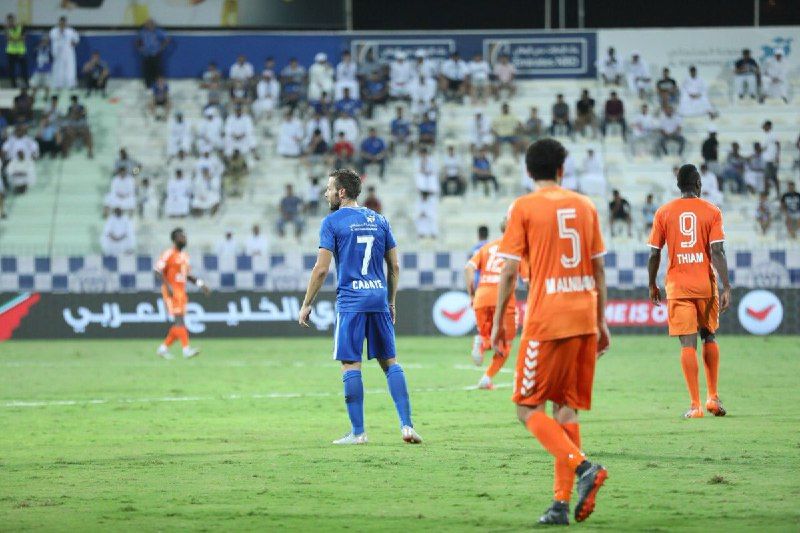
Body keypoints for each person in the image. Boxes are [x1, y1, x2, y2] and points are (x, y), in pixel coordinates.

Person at [491, 138, 609, 525]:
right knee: (565, 407)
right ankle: (560, 504)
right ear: (562, 169)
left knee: (527, 409)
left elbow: (508, 269)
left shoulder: (523, 207)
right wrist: (602, 320)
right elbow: (598, 269)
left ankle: (583, 467)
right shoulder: (586, 205)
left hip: (547, 319)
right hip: (584, 315)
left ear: (528, 171)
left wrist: (498, 323)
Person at [299, 168, 422, 445]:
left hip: (351, 302)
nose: (326, 193)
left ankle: (358, 433)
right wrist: (391, 301)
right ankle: (407, 426)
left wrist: (307, 303)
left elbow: (321, 269)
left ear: (341, 193)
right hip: (378, 299)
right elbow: (395, 266)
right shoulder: (379, 220)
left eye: (329, 188)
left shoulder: (332, 222)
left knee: (350, 364)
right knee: (390, 362)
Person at [647, 163, 731, 419]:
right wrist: (726, 285)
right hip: (705, 285)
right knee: (710, 336)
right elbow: (717, 251)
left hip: (678, 286)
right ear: (698, 185)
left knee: (687, 343)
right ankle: (713, 398)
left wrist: (652, 283)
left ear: (678, 186)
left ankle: (694, 406)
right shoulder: (712, 211)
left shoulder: (664, 212)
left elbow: (654, 253)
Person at [465, 218, 527, 390]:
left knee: (492, 338)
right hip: (504, 298)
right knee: (505, 343)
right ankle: (487, 376)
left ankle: (482, 344)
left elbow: (468, 268)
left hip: (481, 297)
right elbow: (528, 279)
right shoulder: (518, 250)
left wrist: (472, 294)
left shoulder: (486, 247)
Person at [155, 228, 210, 359]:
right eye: (181, 237)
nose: (184, 239)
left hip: (181, 291)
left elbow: (187, 275)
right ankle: (186, 350)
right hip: (172, 291)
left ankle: (163, 349)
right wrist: (167, 286)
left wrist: (201, 284)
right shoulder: (168, 253)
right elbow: (157, 270)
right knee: (180, 321)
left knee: (179, 324)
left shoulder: (185, 256)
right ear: (175, 239)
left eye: (185, 236)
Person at [137, 19, 170, 89]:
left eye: (149, 24)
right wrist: (140, 48)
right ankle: (148, 85)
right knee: (147, 70)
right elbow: (138, 40)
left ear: (153, 24)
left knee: (157, 71)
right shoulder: (142, 32)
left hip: (155, 54)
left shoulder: (158, 32)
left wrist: (161, 48)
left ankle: (158, 86)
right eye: (146, 24)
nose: (148, 25)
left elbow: (167, 39)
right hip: (146, 55)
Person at [49, 17, 79, 90]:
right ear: (59, 22)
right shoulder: (54, 31)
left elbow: (77, 39)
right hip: (58, 53)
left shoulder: (71, 31)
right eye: (61, 22)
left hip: (68, 53)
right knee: (58, 69)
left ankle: (71, 84)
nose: (62, 24)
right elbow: (52, 39)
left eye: (64, 22)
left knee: (70, 68)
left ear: (66, 23)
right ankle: (58, 85)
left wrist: (74, 42)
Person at [5, 14, 27, 88]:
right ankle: (13, 85)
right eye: (9, 21)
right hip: (11, 52)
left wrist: (14, 39)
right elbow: (8, 39)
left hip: (20, 51)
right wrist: (17, 38)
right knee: (12, 70)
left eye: (12, 21)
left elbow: (23, 39)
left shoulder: (21, 27)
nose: (11, 22)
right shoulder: (7, 29)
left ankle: (26, 83)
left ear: (15, 20)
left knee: (23, 69)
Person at [761, 120, 780, 197]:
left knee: (773, 177)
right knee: (767, 177)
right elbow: (765, 148)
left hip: (772, 159)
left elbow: (778, 145)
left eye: (765, 126)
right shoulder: (766, 135)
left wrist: (777, 157)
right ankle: (767, 192)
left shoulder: (773, 135)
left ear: (768, 126)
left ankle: (776, 192)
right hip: (767, 159)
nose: (763, 127)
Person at [30, 36, 52, 102]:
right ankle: (33, 97)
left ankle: (46, 97)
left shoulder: (50, 49)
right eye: (43, 41)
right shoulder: (37, 49)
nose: (44, 42)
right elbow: (33, 56)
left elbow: (52, 58)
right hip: (38, 69)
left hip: (46, 69)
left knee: (47, 84)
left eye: (46, 41)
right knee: (34, 83)